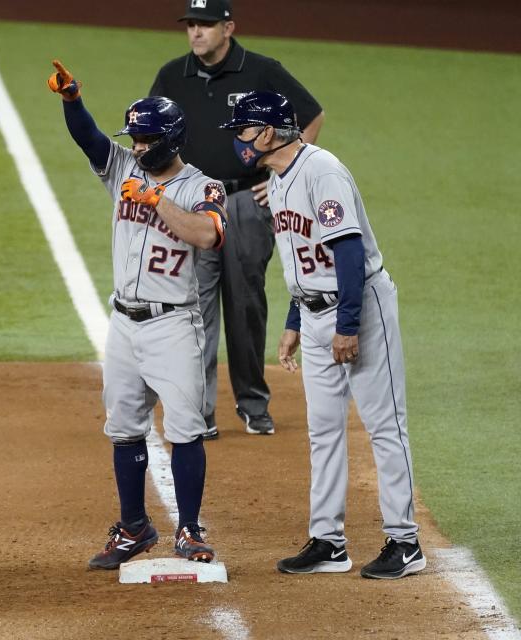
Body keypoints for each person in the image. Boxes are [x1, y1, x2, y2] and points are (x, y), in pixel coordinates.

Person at [220, 91, 425, 579]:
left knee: (384, 426)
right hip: (313, 315)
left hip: (358, 309)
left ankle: (405, 541)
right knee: (325, 429)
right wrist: (294, 321)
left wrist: (347, 325)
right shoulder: (278, 177)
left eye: (244, 130)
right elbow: (302, 258)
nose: (238, 140)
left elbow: (348, 252)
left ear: (268, 133)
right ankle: (329, 542)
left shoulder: (322, 171)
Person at [47, 60, 228, 569]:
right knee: (124, 427)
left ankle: (189, 530)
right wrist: (72, 101)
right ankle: (134, 527)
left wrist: (154, 199)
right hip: (124, 323)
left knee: (185, 429)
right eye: (137, 139)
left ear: (170, 140)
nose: (138, 147)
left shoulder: (201, 188)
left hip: (174, 325)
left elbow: (207, 235)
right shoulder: (124, 167)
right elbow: (89, 140)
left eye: (146, 140)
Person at [150, 0, 325, 438]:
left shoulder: (260, 70)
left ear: (228, 27)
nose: (196, 32)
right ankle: (200, 410)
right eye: (191, 24)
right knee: (197, 309)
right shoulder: (173, 76)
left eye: (205, 25)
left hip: (248, 202)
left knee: (246, 305)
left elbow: (311, 114)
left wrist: (284, 173)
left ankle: (252, 403)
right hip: (196, 205)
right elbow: (153, 134)